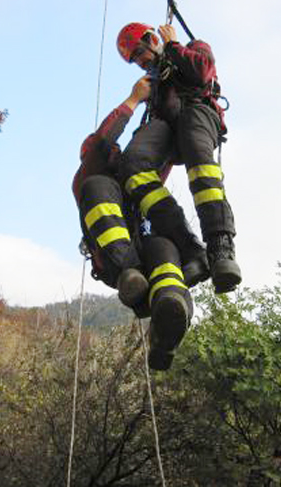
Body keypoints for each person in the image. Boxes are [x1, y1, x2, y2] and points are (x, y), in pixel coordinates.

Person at [72, 77, 199, 369]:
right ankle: (130, 274)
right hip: (116, 262)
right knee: (99, 186)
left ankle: (167, 330)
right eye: (112, 153)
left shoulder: (131, 177)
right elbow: (103, 140)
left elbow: (160, 152)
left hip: (144, 251)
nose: (116, 154)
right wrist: (134, 99)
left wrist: (167, 89)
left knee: (164, 247)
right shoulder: (87, 179)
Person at [116, 22, 241, 294]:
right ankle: (190, 248)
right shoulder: (155, 82)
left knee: (198, 157)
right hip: (169, 128)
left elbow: (202, 70)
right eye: (134, 58)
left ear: (152, 38)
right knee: (132, 164)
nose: (139, 60)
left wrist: (172, 46)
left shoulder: (193, 48)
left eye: (140, 51)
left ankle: (220, 248)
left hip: (197, 112)